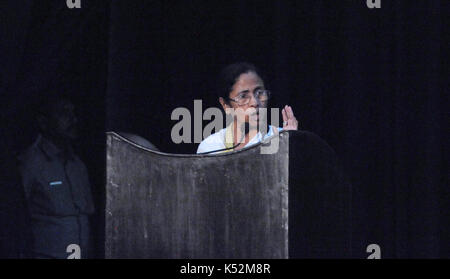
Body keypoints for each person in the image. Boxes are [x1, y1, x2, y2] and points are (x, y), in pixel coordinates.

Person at [17, 94, 95, 258]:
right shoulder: (31, 163)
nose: (73, 120)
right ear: (44, 122)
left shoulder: (78, 165)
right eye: (64, 114)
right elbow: (15, 218)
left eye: (73, 114)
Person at [197, 62, 298, 154]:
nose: (255, 102)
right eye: (243, 96)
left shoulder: (282, 139)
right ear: (225, 105)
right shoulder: (210, 147)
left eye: (260, 93)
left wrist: (291, 144)